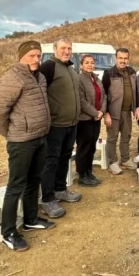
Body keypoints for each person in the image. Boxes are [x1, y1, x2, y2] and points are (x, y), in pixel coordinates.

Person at [0, 41, 55, 251]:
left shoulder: (40, 77)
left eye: (39, 56)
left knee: (34, 180)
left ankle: (30, 219)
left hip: (39, 138)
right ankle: (8, 232)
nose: (36, 59)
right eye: (32, 56)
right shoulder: (13, 78)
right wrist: (11, 134)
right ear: (22, 57)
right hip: (21, 142)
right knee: (16, 185)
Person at [38, 37, 82, 219]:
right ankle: (47, 199)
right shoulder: (48, 67)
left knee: (65, 158)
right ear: (55, 49)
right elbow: (39, 93)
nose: (66, 51)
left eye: (69, 48)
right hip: (55, 125)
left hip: (71, 123)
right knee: (51, 161)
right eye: (63, 48)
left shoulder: (70, 68)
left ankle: (60, 189)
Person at [102, 47, 138, 175]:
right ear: (115, 58)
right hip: (113, 112)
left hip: (127, 111)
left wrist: (136, 107)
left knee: (126, 136)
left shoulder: (132, 72)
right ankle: (112, 162)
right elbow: (104, 95)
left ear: (128, 58)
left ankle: (125, 159)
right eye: (120, 58)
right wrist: (106, 113)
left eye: (125, 58)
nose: (123, 61)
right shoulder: (109, 73)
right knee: (112, 138)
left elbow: (135, 91)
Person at [77, 54, 107, 187]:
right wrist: (95, 113)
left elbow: (104, 96)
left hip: (97, 118)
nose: (90, 65)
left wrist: (101, 112)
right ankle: (82, 175)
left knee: (92, 146)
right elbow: (81, 101)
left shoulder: (96, 78)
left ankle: (89, 172)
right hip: (84, 119)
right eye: (87, 62)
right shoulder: (79, 79)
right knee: (84, 146)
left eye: (92, 62)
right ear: (81, 65)